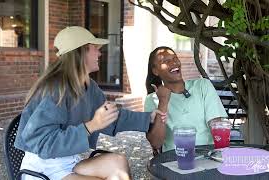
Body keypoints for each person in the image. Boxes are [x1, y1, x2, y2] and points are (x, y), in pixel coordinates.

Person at [14, 26, 166, 180]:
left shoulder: (89, 86)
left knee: (118, 163)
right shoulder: (55, 89)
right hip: (42, 167)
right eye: (95, 48)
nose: (100, 53)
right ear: (81, 52)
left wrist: (148, 118)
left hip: (68, 160)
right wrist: (91, 126)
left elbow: (110, 117)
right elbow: (41, 142)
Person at [144, 46, 228, 154]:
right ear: (155, 71)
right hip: (175, 159)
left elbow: (217, 124)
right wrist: (163, 102)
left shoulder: (202, 85)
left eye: (175, 58)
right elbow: (156, 143)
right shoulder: (152, 100)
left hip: (207, 155)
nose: (174, 63)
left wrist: (220, 154)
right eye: (166, 61)